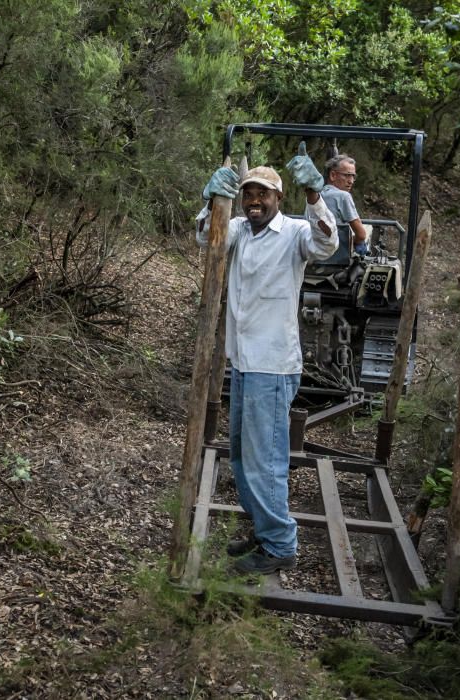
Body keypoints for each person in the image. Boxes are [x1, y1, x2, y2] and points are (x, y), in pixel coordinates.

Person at [196, 143, 338, 574]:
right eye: (248, 195)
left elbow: (326, 243)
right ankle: (263, 530)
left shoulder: (294, 232)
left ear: (279, 198)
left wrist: (315, 195)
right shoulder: (238, 228)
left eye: (264, 195)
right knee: (242, 456)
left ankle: (279, 546)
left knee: (265, 460)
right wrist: (211, 200)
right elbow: (208, 238)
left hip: (272, 366)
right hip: (243, 360)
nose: (255, 202)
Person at [320, 154, 369, 255]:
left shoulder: (315, 195)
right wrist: (353, 241)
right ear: (333, 175)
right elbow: (361, 235)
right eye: (347, 175)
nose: (351, 181)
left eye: (353, 176)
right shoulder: (343, 196)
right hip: (336, 257)